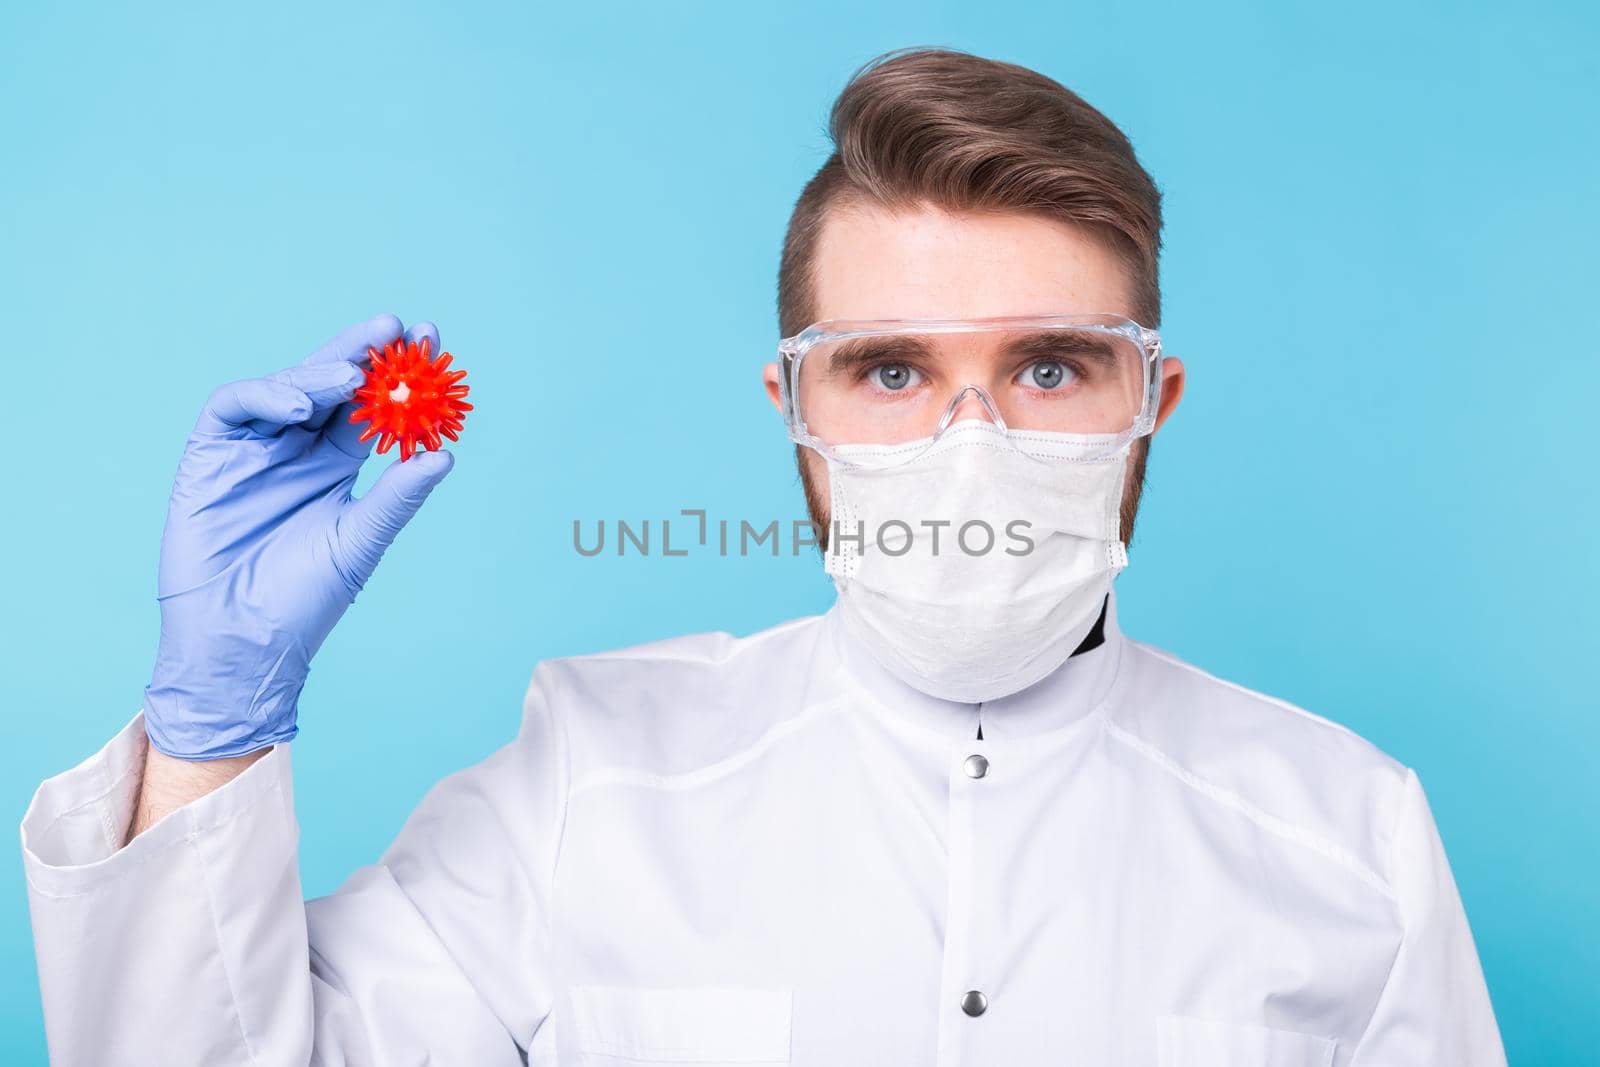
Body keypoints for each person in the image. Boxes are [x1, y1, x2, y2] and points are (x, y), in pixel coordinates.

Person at [21, 47, 1507, 1066]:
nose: (969, 441)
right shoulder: (585, 784)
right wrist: (209, 735)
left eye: (1053, 366)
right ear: (793, 408)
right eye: (889, 370)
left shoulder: (1346, 835)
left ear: (1152, 403)